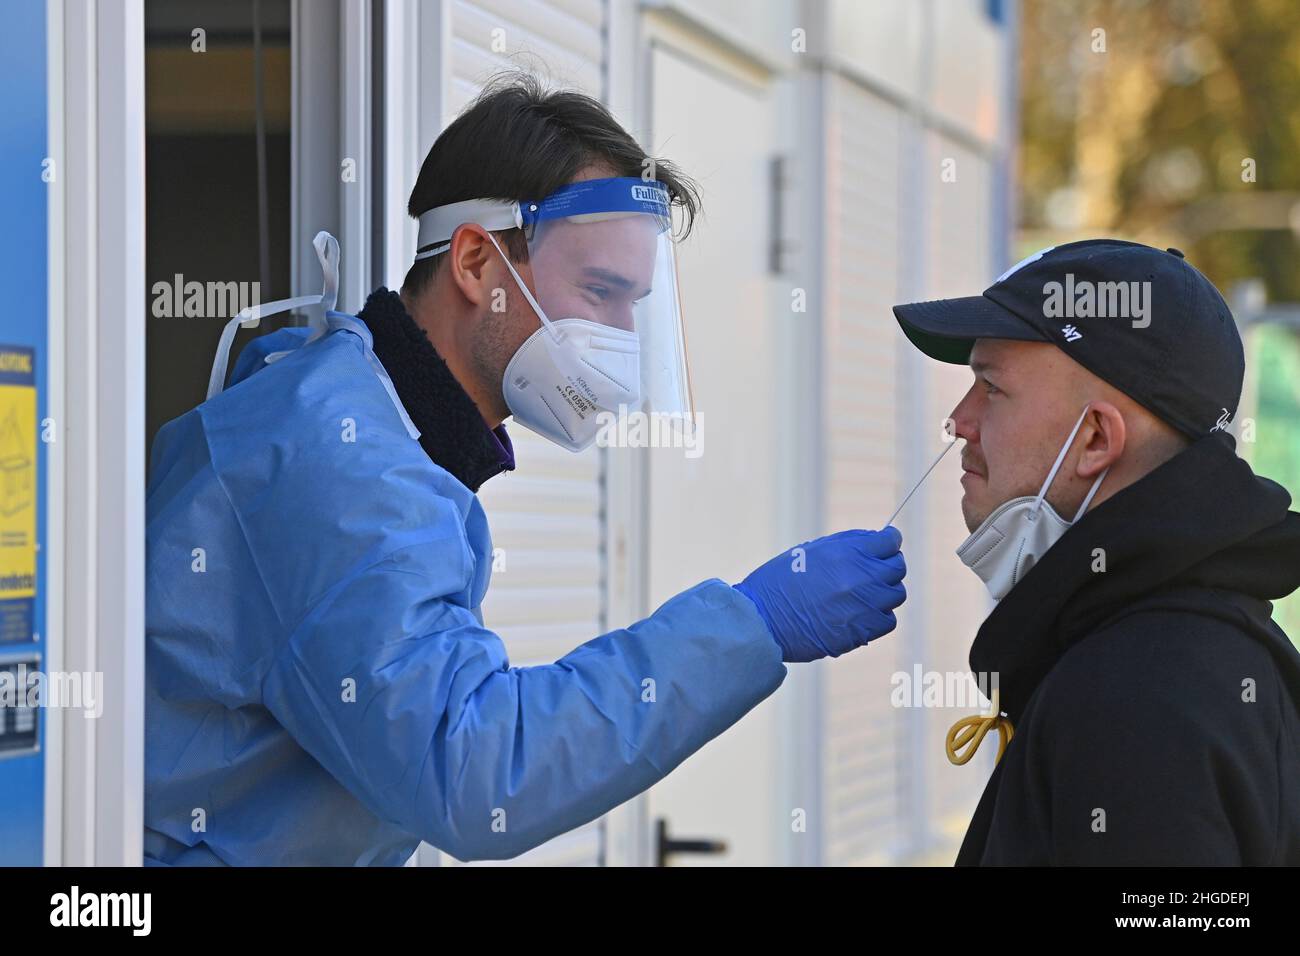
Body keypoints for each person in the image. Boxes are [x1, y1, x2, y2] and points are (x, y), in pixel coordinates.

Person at [143, 74, 907, 866]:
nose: (619, 338)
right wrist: (750, 624)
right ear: (476, 263)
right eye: (600, 291)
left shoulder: (372, 422)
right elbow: (476, 772)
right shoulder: (343, 463)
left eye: (633, 305)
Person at [893, 239, 1300, 865]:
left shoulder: (1137, 696)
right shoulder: (1179, 648)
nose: (958, 420)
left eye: (991, 388)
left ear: (1095, 439)